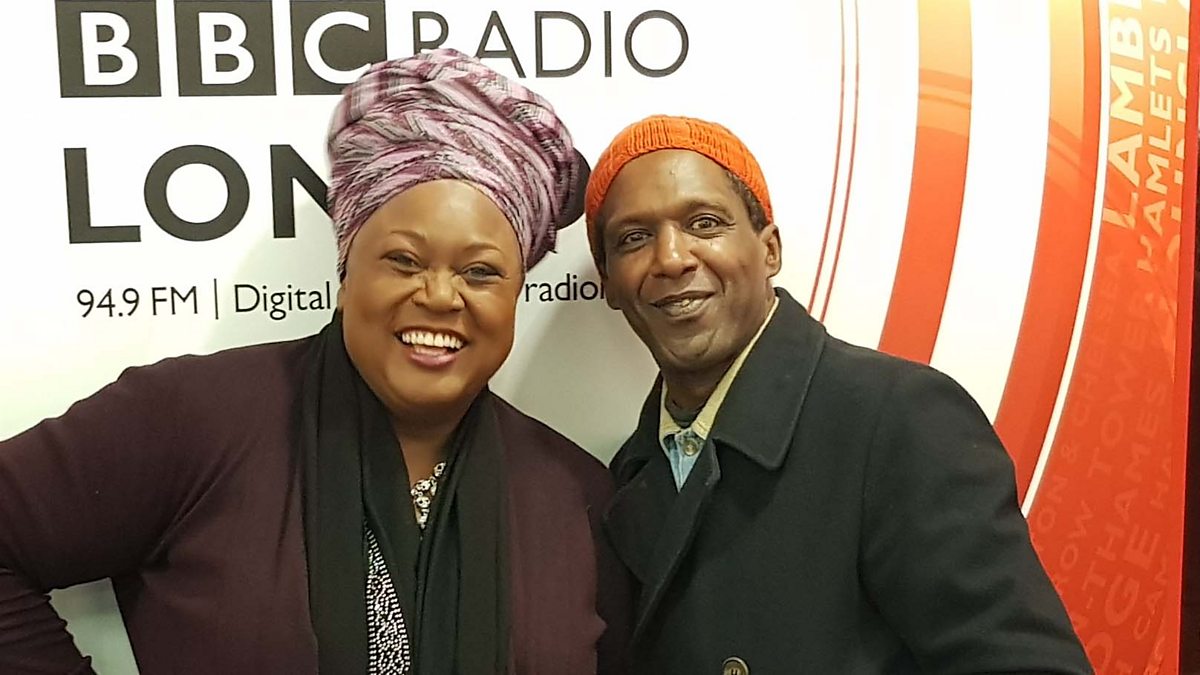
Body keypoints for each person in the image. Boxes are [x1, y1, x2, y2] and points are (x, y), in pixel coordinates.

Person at [0, 49, 629, 675]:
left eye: (481, 272)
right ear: (346, 272)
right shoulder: (195, 420)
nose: (440, 296)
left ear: (516, 292)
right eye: (404, 261)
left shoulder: (575, 495)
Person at [583, 114, 1092, 674]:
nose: (671, 258)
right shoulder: (628, 475)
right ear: (608, 284)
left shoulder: (897, 418)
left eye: (704, 224)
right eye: (634, 238)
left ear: (770, 250)